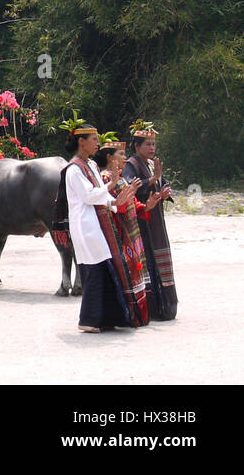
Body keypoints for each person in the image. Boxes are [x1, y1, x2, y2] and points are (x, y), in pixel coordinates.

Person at [63, 121, 139, 333]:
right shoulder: (74, 169)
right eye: (94, 139)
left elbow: (100, 194)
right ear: (81, 141)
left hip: (98, 223)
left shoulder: (92, 166)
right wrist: (112, 185)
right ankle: (88, 320)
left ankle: (106, 318)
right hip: (85, 226)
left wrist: (114, 202)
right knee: (93, 270)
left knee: (105, 267)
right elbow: (88, 196)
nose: (97, 143)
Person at [123, 121, 178, 321]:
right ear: (136, 146)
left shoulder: (149, 163)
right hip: (142, 220)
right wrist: (153, 180)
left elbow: (161, 181)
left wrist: (164, 191)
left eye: (153, 144)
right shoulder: (132, 164)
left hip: (156, 218)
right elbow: (130, 185)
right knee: (147, 259)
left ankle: (165, 306)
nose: (152, 148)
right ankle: (152, 308)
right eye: (147, 144)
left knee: (159, 256)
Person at [98, 140, 149, 326]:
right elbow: (106, 206)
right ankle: (126, 316)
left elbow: (132, 203)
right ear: (109, 157)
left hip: (131, 232)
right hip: (118, 233)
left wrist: (146, 206)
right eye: (121, 154)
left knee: (134, 271)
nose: (125, 158)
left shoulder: (121, 179)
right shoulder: (104, 179)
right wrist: (120, 203)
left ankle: (138, 314)